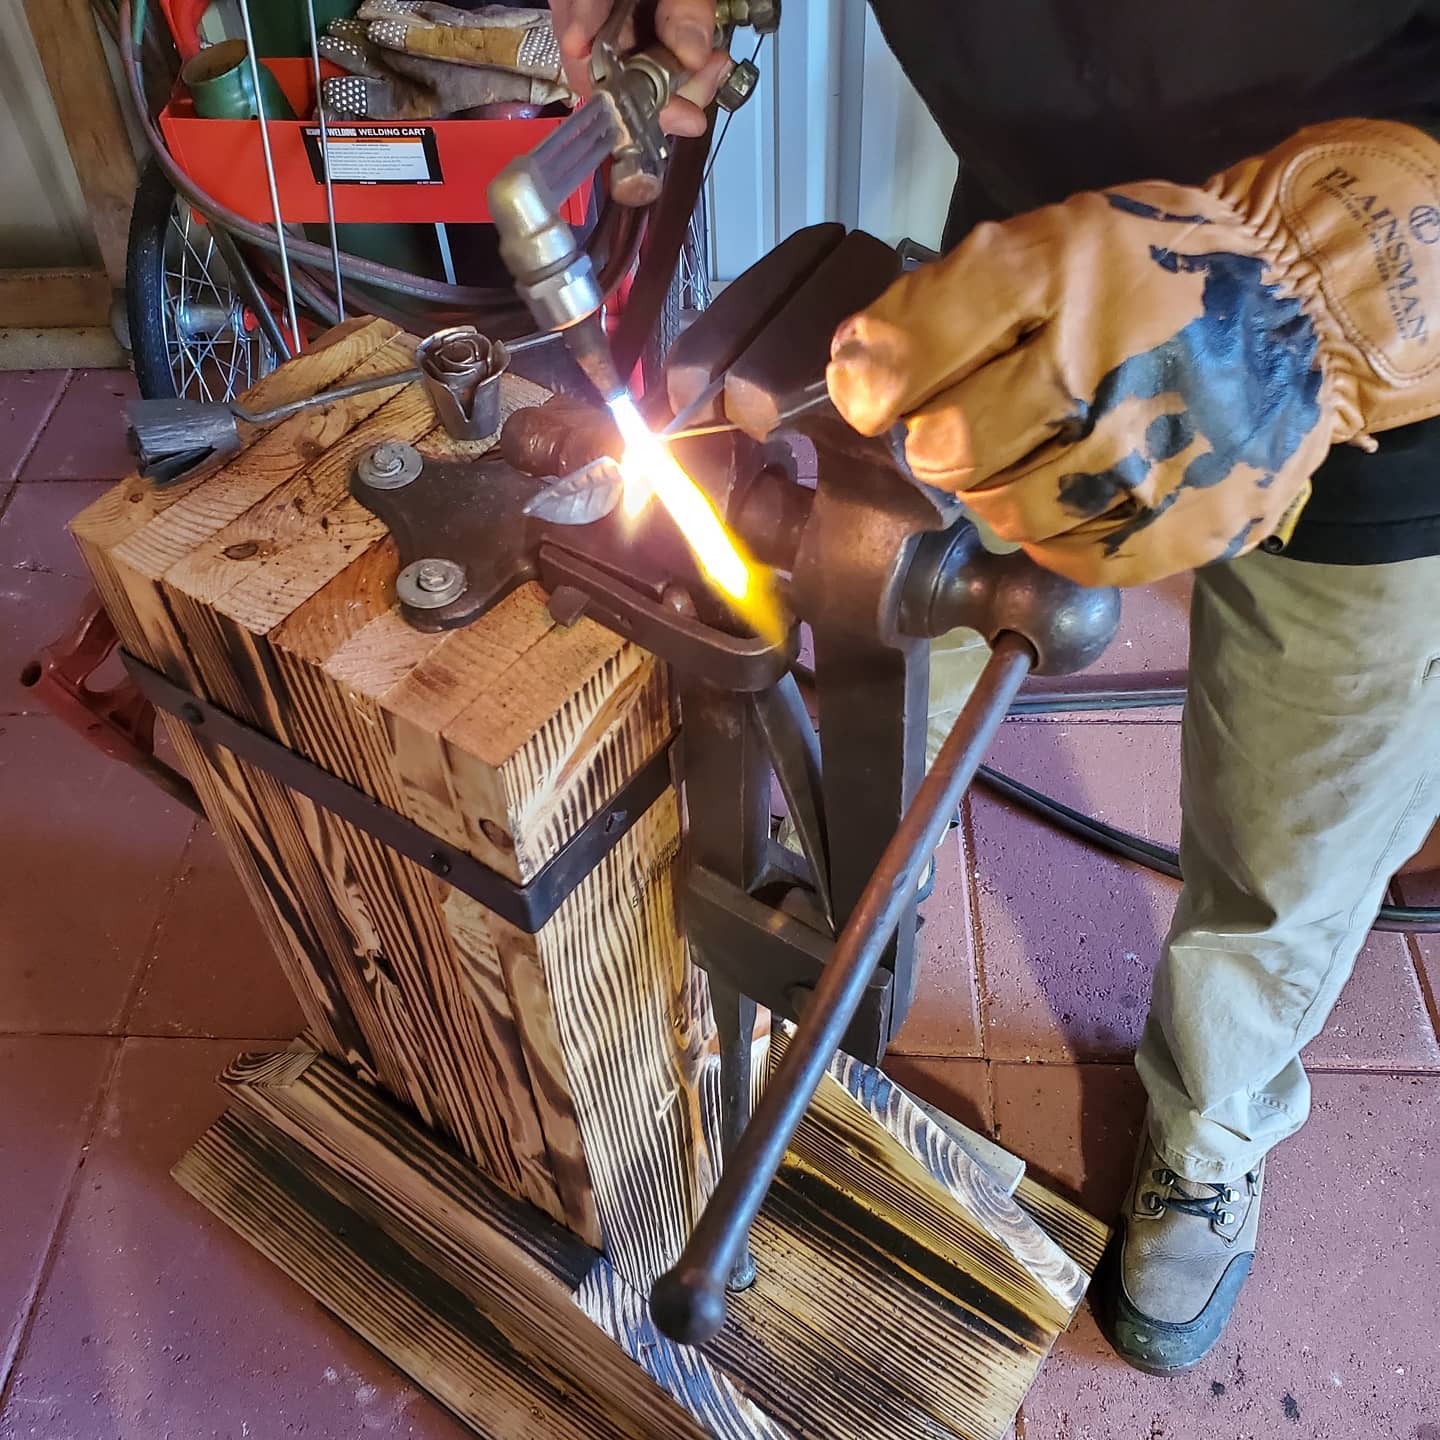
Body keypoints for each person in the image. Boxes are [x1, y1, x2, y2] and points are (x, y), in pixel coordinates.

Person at [549, 0, 1440, 1374]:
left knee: (1295, 833)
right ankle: (827, 949)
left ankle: (1210, 1130)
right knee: (874, 668)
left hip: (1396, 369)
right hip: (1034, 261)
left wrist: (1332, 278)